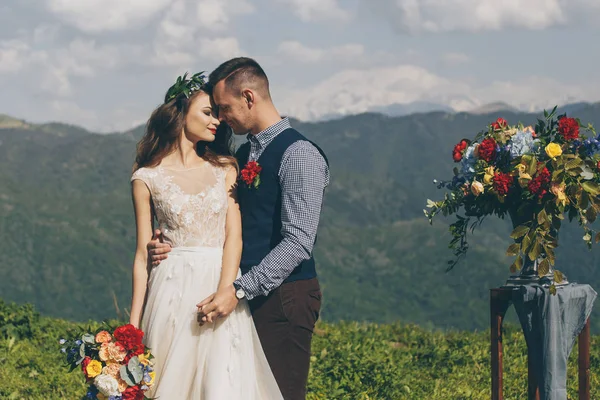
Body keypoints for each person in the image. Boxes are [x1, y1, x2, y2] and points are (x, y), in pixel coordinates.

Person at [148, 58, 330, 400]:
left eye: (225, 107)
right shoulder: (245, 153)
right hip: (242, 296)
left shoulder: (299, 154)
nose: (221, 118)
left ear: (249, 97)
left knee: (280, 392)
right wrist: (169, 239)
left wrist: (239, 289)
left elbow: (299, 242)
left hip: (283, 299)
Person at [129, 72, 283, 399]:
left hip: (219, 281)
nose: (217, 122)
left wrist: (228, 289)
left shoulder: (225, 168)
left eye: (218, 114)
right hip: (170, 287)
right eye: (207, 113)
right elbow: (143, 255)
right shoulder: (146, 177)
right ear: (180, 113)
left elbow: (233, 237)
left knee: (222, 384)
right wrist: (132, 327)